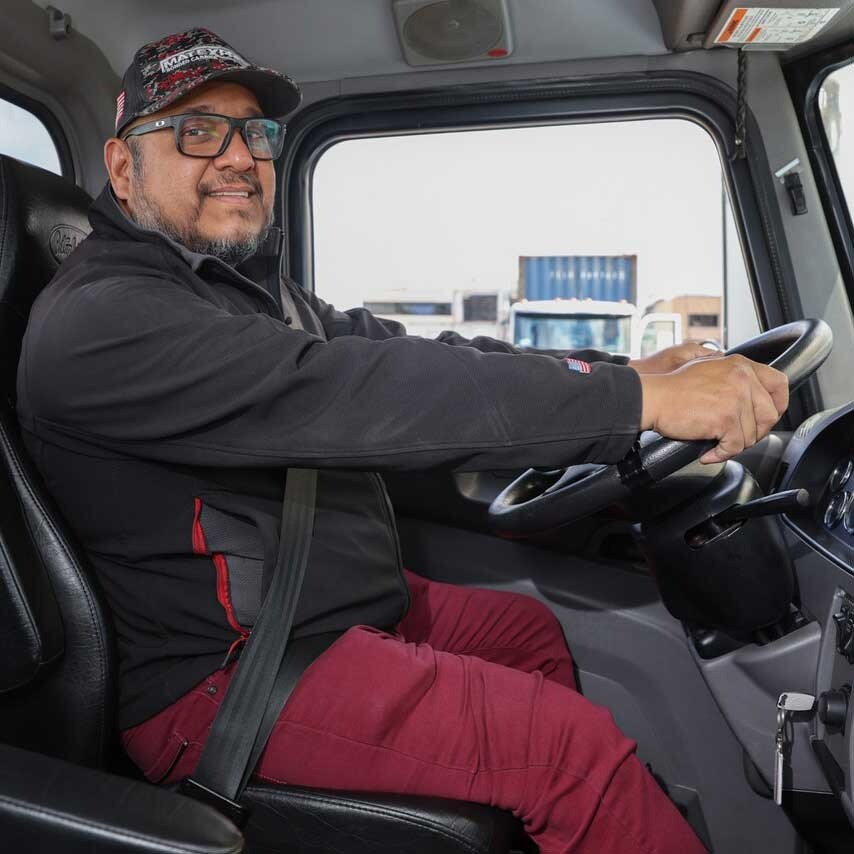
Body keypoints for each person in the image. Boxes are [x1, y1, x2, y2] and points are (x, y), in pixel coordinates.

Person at [16, 28, 787, 854]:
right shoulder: (107, 318)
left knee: (526, 635)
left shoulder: (236, 294)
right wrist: (641, 400)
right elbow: (365, 392)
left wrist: (627, 368)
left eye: (257, 133)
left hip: (320, 608)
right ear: (125, 168)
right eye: (198, 131)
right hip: (222, 677)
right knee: (568, 749)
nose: (240, 155)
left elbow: (414, 356)